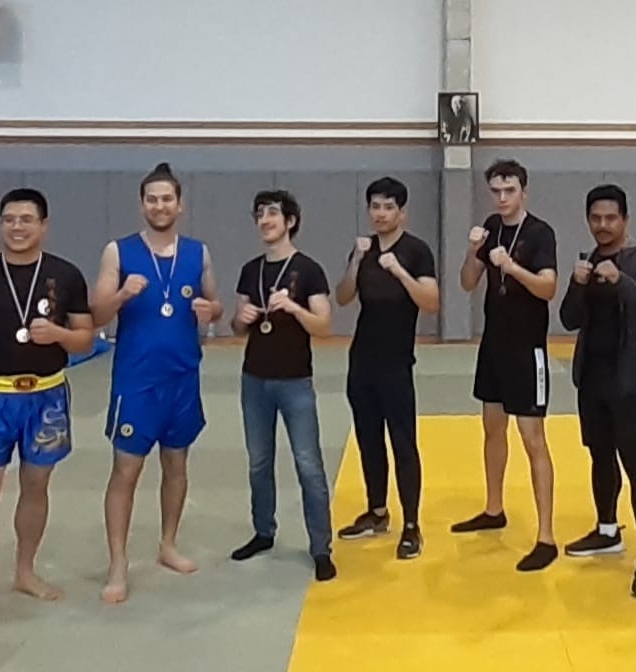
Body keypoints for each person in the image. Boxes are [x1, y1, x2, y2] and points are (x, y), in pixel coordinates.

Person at [0, 188, 94, 648]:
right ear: (0, 224)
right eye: (9, 219)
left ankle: (25, 571)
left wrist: (60, 333)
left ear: (43, 224)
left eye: (26, 219)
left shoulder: (66, 273)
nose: (17, 227)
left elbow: (85, 338)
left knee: (36, 486)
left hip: (47, 397)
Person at [91, 163, 223, 603]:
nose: (160, 205)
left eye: (167, 198)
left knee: (177, 466)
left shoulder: (199, 253)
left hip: (183, 376)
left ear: (180, 205)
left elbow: (215, 304)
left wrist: (211, 311)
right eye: (152, 199)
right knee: (125, 471)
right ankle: (118, 564)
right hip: (137, 380)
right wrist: (122, 294)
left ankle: (168, 544)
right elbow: (97, 314)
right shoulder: (118, 251)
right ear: (142, 204)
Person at [558, 184, 636, 598]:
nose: (603, 225)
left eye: (610, 218)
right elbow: (569, 319)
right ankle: (607, 530)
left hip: (633, 381)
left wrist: (621, 281)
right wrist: (576, 284)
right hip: (593, 378)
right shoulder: (588, 260)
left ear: (625, 219)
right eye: (596, 218)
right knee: (600, 456)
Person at [452, 159, 560, 572]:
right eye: (496, 191)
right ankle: (494, 508)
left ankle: (546, 536)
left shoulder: (540, 233)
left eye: (509, 190)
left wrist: (512, 267)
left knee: (533, 438)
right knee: (492, 428)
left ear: (523, 192)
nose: (502, 198)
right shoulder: (490, 228)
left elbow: (548, 288)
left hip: (527, 348)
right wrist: (472, 251)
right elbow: (467, 282)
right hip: (494, 346)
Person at [228, 189, 337, 582]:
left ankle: (321, 547)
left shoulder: (308, 269)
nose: (265, 220)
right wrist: (241, 319)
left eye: (272, 213)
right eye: (260, 214)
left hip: (295, 381)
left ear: (290, 221)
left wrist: (293, 307)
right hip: (254, 379)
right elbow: (236, 327)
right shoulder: (250, 270)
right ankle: (263, 530)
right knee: (259, 462)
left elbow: (324, 326)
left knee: (308, 465)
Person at [333, 177, 439, 559]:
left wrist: (399, 272)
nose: (380, 214)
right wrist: (356, 261)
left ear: (402, 213)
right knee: (368, 438)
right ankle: (377, 511)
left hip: (396, 362)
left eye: (388, 207)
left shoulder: (416, 251)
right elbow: (343, 297)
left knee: (402, 442)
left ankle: (411, 525)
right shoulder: (363, 248)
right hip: (362, 359)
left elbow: (431, 302)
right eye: (375, 207)